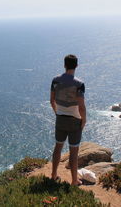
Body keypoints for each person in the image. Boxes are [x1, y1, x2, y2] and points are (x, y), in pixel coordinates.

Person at [50, 54, 86, 186]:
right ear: (76, 65)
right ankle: (74, 180)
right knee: (74, 152)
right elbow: (81, 106)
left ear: (64, 65)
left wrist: (57, 113)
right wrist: (84, 120)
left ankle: (53, 175)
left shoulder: (55, 80)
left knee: (58, 147)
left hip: (60, 118)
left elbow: (51, 101)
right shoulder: (79, 84)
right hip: (74, 120)